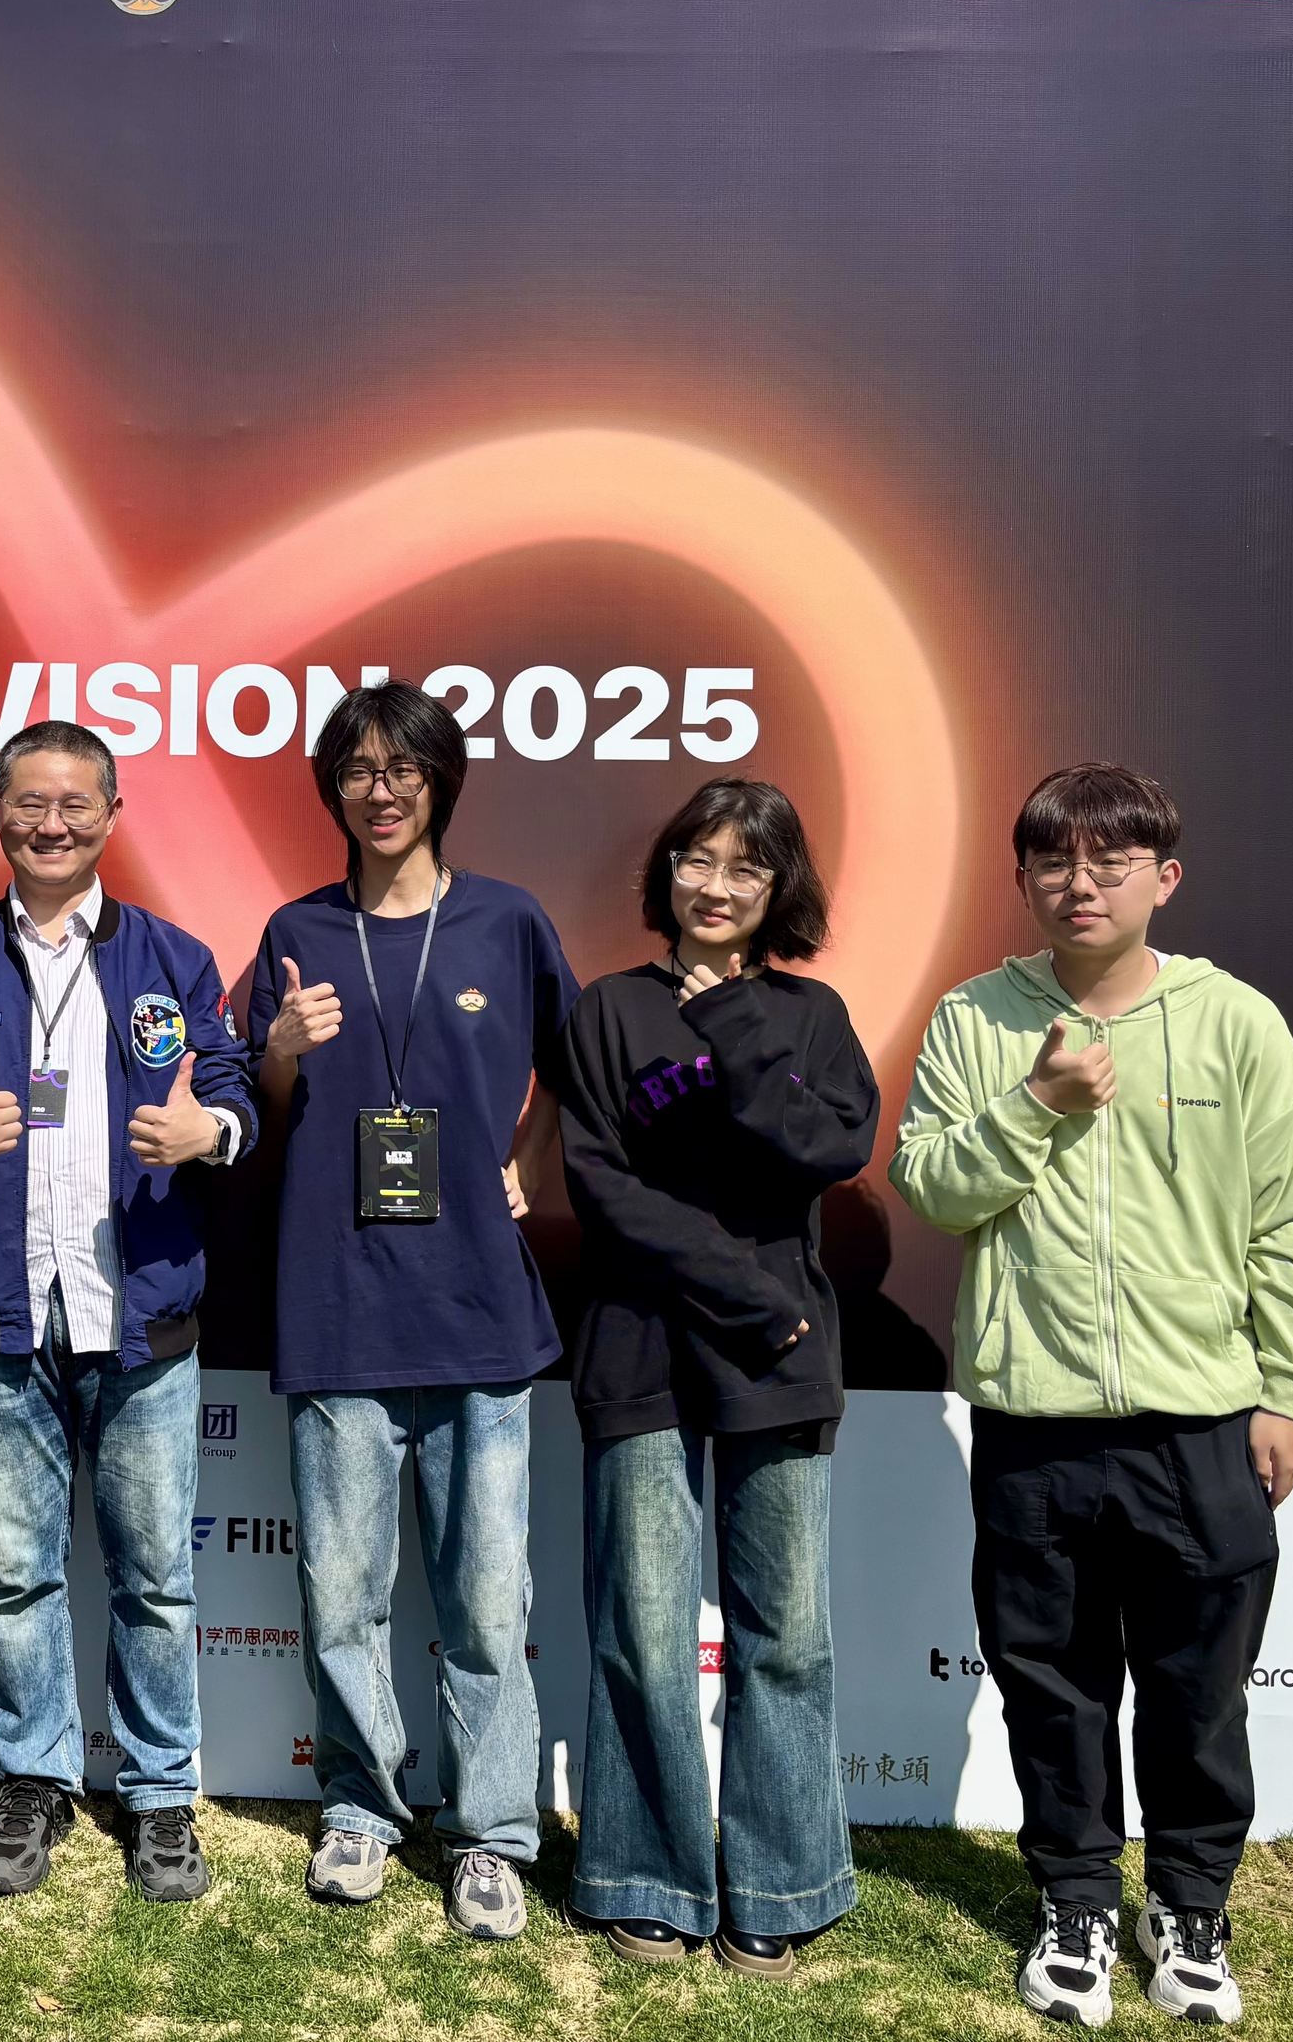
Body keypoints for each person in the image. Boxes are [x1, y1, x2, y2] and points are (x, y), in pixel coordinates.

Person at [891, 763, 1293, 2030]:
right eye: (1053, 861)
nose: (1078, 884)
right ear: (1024, 877)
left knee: (1199, 1692)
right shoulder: (977, 1019)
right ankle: (1077, 1901)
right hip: (1033, 1423)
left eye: (1110, 861)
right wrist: (1036, 1103)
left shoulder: (1235, 1023)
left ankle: (1190, 1908)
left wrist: (1281, 1387)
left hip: (1199, 1419)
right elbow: (931, 1185)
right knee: (1054, 1687)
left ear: (1164, 878)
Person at [0, 720, 254, 1904]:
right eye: (29, 802)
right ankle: (35, 1779)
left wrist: (210, 1132)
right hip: (2, 1314)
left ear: (112, 816)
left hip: (141, 1319)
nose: (52, 823)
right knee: (17, 1576)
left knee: (156, 1581)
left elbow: (234, 1092)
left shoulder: (174, 957)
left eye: (77, 803)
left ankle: (161, 1794)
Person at [245, 681, 576, 1944]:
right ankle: (361, 1808)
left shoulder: (507, 921)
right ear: (332, 789)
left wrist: (527, 1161)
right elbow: (259, 1105)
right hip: (339, 1310)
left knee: (487, 1603)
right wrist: (282, 1043)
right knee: (343, 1595)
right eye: (357, 770)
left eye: (403, 769)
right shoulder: (298, 927)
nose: (379, 792)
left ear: (442, 782)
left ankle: (491, 1832)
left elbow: (573, 1068)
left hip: (480, 1312)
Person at [555, 778, 878, 1976]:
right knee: (642, 1630)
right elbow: (604, 1188)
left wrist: (736, 1020)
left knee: (784, 1635)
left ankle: (782, 1880)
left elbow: (830, 1145)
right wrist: (749, 1295)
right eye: (698, 857)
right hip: (650, 1344)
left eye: (747, 866)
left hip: (777, 1363)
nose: (716, 884)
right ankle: (646, 1874)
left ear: (778, 889)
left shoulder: (809, 1015)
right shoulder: (608, 1010)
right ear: (667, 870)